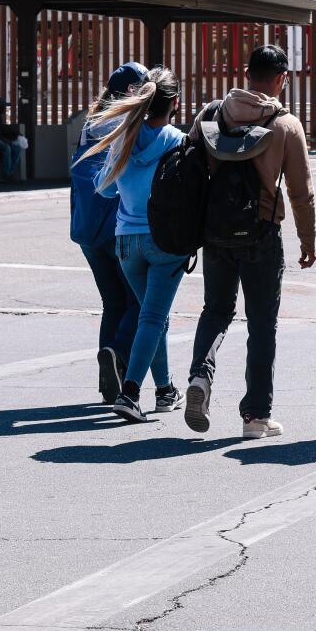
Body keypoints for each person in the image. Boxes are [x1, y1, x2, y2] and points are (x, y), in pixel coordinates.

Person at [183, 44, 316, 440]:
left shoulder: (210, 114)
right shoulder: (285, 124)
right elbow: (301, 191)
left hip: (216, 233)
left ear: (247, 74)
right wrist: (307, 240)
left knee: (216, 311)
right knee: (262, 325)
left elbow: (188, 171)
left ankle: (200, 378)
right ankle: (256, 417)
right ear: (280, 78)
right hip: (261, 233)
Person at [84, 67, 186, 423]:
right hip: (165, 240)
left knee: (152, 318)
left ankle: (166, 390)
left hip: (126, 242)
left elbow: (104, 187)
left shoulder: (123, 137)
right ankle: (130, 393)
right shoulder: (177, 140)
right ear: (174, 102)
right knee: (153, 318)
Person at [68, 62, 147, 405]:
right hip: (118, 227)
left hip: (87, 229)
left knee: (112, 301)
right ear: (132, 91)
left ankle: (107, 376)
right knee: (139, 302)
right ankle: (116, 353)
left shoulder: (91, 124)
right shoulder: (129, 124)